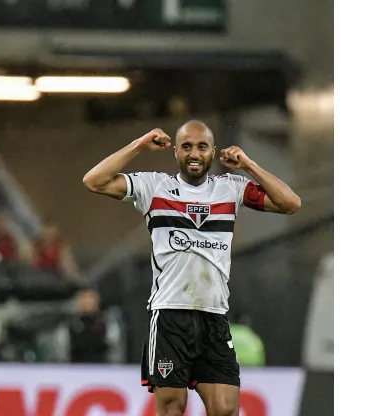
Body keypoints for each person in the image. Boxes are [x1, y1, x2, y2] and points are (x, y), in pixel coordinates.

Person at [82, 121, 301, 416]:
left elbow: (290, 203)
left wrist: (248, 164)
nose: (194, 153)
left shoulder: (231, 188)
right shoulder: (153, 187)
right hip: (171, 314)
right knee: (173, 406)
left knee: (225, 409)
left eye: (201, 146)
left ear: (213, 151)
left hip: (214, 316)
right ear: (176, 152)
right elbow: (93, 181)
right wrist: (139, 144)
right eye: (186, 146)